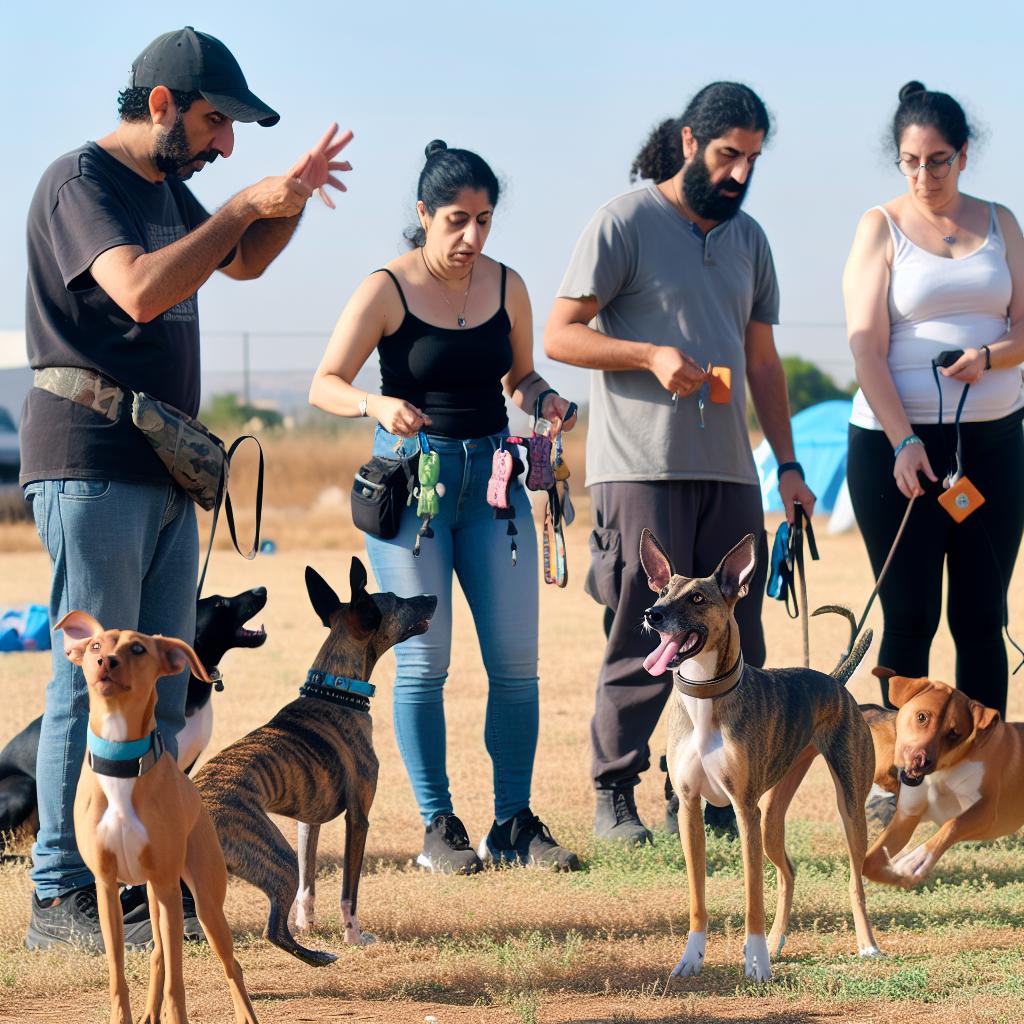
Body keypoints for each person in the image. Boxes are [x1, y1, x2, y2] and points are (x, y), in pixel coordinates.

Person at [20, 26, 350, 950]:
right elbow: (136, 292)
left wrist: (279, 205)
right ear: (160, 103)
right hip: (91, 460)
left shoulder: (170, 186)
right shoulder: (79, 182)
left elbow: (238, 261)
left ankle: (130, 879)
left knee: (162, 687)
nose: (224, 145)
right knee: (87, 682)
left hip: (164, 468)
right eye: (215, 122)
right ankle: (59, 896)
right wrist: (241, 204)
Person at [544, 82, 815, 845]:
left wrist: (787, 464)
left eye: (753, 160)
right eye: (729, 155)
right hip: (639, 466)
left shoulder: (750, 239)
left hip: (732, 469)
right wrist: (649, 355)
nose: (740, 173)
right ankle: (615, 793)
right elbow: (560, 337)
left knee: (735, 636)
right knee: (646, 627)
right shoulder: (623, 221)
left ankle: (718, 791)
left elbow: (762, 361)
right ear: (691, 143)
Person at [310, 140, 580, 874]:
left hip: (492, 488)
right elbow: (324, 383)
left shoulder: (507, 286)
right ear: (424, 214)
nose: (471, 238)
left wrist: (546, 400)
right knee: (426, 665)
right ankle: (438, 829)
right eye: (457, 220)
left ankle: (513, 825)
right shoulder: (385, 289)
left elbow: (518, 377)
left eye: (485, 221)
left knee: (516, 666)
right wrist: (375, 401)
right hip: (413, 492)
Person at [844, 81, 1024, 717]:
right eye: (911, 161)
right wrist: (904, 441)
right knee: (911, 614)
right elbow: (866, 348)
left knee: (981, 614)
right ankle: (897, 774)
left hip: (993, 444)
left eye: (938, 160)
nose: (925, 175)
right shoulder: (880, 227)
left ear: (964, 155)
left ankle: (985, 783)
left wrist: (990, 358)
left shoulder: (1003, 222)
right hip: (898, 447)